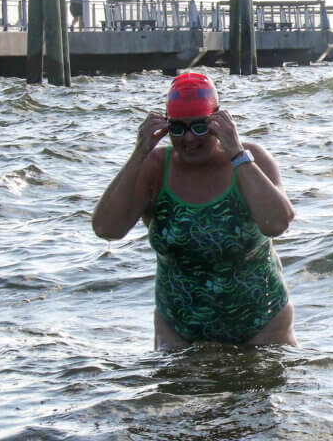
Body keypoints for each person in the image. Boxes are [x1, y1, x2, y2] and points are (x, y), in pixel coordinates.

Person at [92, 72, 296, 349]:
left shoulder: (251, 160)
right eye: (177, 128)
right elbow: (106, 229)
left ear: (219, 121)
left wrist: (236, 152)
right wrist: (139, 153)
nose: (189, 138)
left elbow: (277, 223)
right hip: (178, 330)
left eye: (200, 127)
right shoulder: (155, 168)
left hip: (261, 325)